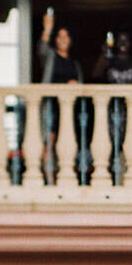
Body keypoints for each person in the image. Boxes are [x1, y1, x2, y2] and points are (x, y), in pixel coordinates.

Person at [37, 18, 87, 182]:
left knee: (67, 143)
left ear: (71, 40)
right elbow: (42, 50)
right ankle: (50, 179)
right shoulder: (51, 56)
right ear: (55, 39)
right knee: (49, 143)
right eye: (59, 36)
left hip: (68, 110)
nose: (63, 39)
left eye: (66, 36)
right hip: (52, 108)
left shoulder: (75, 64)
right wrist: (47, 28)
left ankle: (65, 178)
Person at [92, 31, 132, 181]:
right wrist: (103, 54)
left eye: (126, 40)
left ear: (130, 43)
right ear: (115, 43)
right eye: (120, 40)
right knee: (111, 148)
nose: (123, 43)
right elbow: (96, 74)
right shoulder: (109, 61)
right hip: (112, 112)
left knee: (131, 149)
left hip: (131, 113)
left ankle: (128, 181)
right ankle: (111, 180)